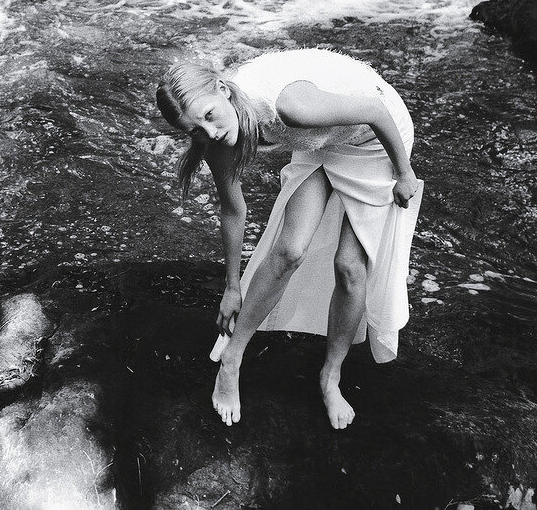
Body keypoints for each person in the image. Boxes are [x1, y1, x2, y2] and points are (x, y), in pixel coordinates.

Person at [156, 48, 422, 430]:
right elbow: (233, 211)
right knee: (289, 252)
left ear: (222, 90)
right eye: (195, 130)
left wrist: (404, 172)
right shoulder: (214, 138)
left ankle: (330, 377)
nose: (210, 133)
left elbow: (374, 112)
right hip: (319, 139)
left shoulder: (291, 105)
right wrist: (232, 286)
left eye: (210, 117)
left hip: (374, 137)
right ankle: (231, 362)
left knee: (349, 267)